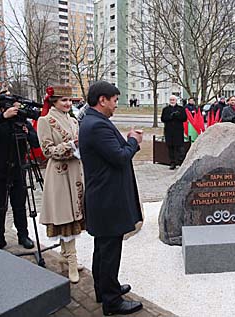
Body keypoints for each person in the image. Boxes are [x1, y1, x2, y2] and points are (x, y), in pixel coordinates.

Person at [79, 81, 143, 315]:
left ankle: (105, 288)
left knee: (103, 248)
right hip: (107, 199)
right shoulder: (96, 125)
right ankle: (112, 302)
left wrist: (126, 140)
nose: (116, 104)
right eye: (114, 100)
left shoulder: (94, 121)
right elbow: (119, 157)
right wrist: (134, 142)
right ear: (102, 100)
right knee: (109, 250)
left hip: (104, 196)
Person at [37, 86, 85, 283]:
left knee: (74, 213)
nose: (68, 103)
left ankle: (67, 256)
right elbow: (47, 151)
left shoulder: (74, 120)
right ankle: (72, 262)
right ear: (54, 101)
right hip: (59, 174)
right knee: (65, 215)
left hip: (76, 172)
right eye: (63, 100)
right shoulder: (45, 121)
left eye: (69, 100)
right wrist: (71, 145)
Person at [0, 100, 38, 250]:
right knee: (0, 206)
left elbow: (36, 143)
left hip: (18, 170)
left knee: (20, 204)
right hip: (0, 171)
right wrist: (3, 117)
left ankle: (23, 235)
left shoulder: (23, 123)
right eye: (12, 106)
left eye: (17, 106)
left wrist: (28, 134)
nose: (16, 109)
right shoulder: (0, 122)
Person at [161, 96, 188, 170]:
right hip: (169, 131)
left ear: (176, 100)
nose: (172, 101)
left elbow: (184, 118)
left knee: (180, 147)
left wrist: (178, 115)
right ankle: (172, 162)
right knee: (170, 147)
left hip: (178, 131)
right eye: (171, 100)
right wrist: (171, 116)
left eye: (173, 100)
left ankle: (181, 161)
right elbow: (163, 119)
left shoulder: (181, 109)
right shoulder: (166, 109)